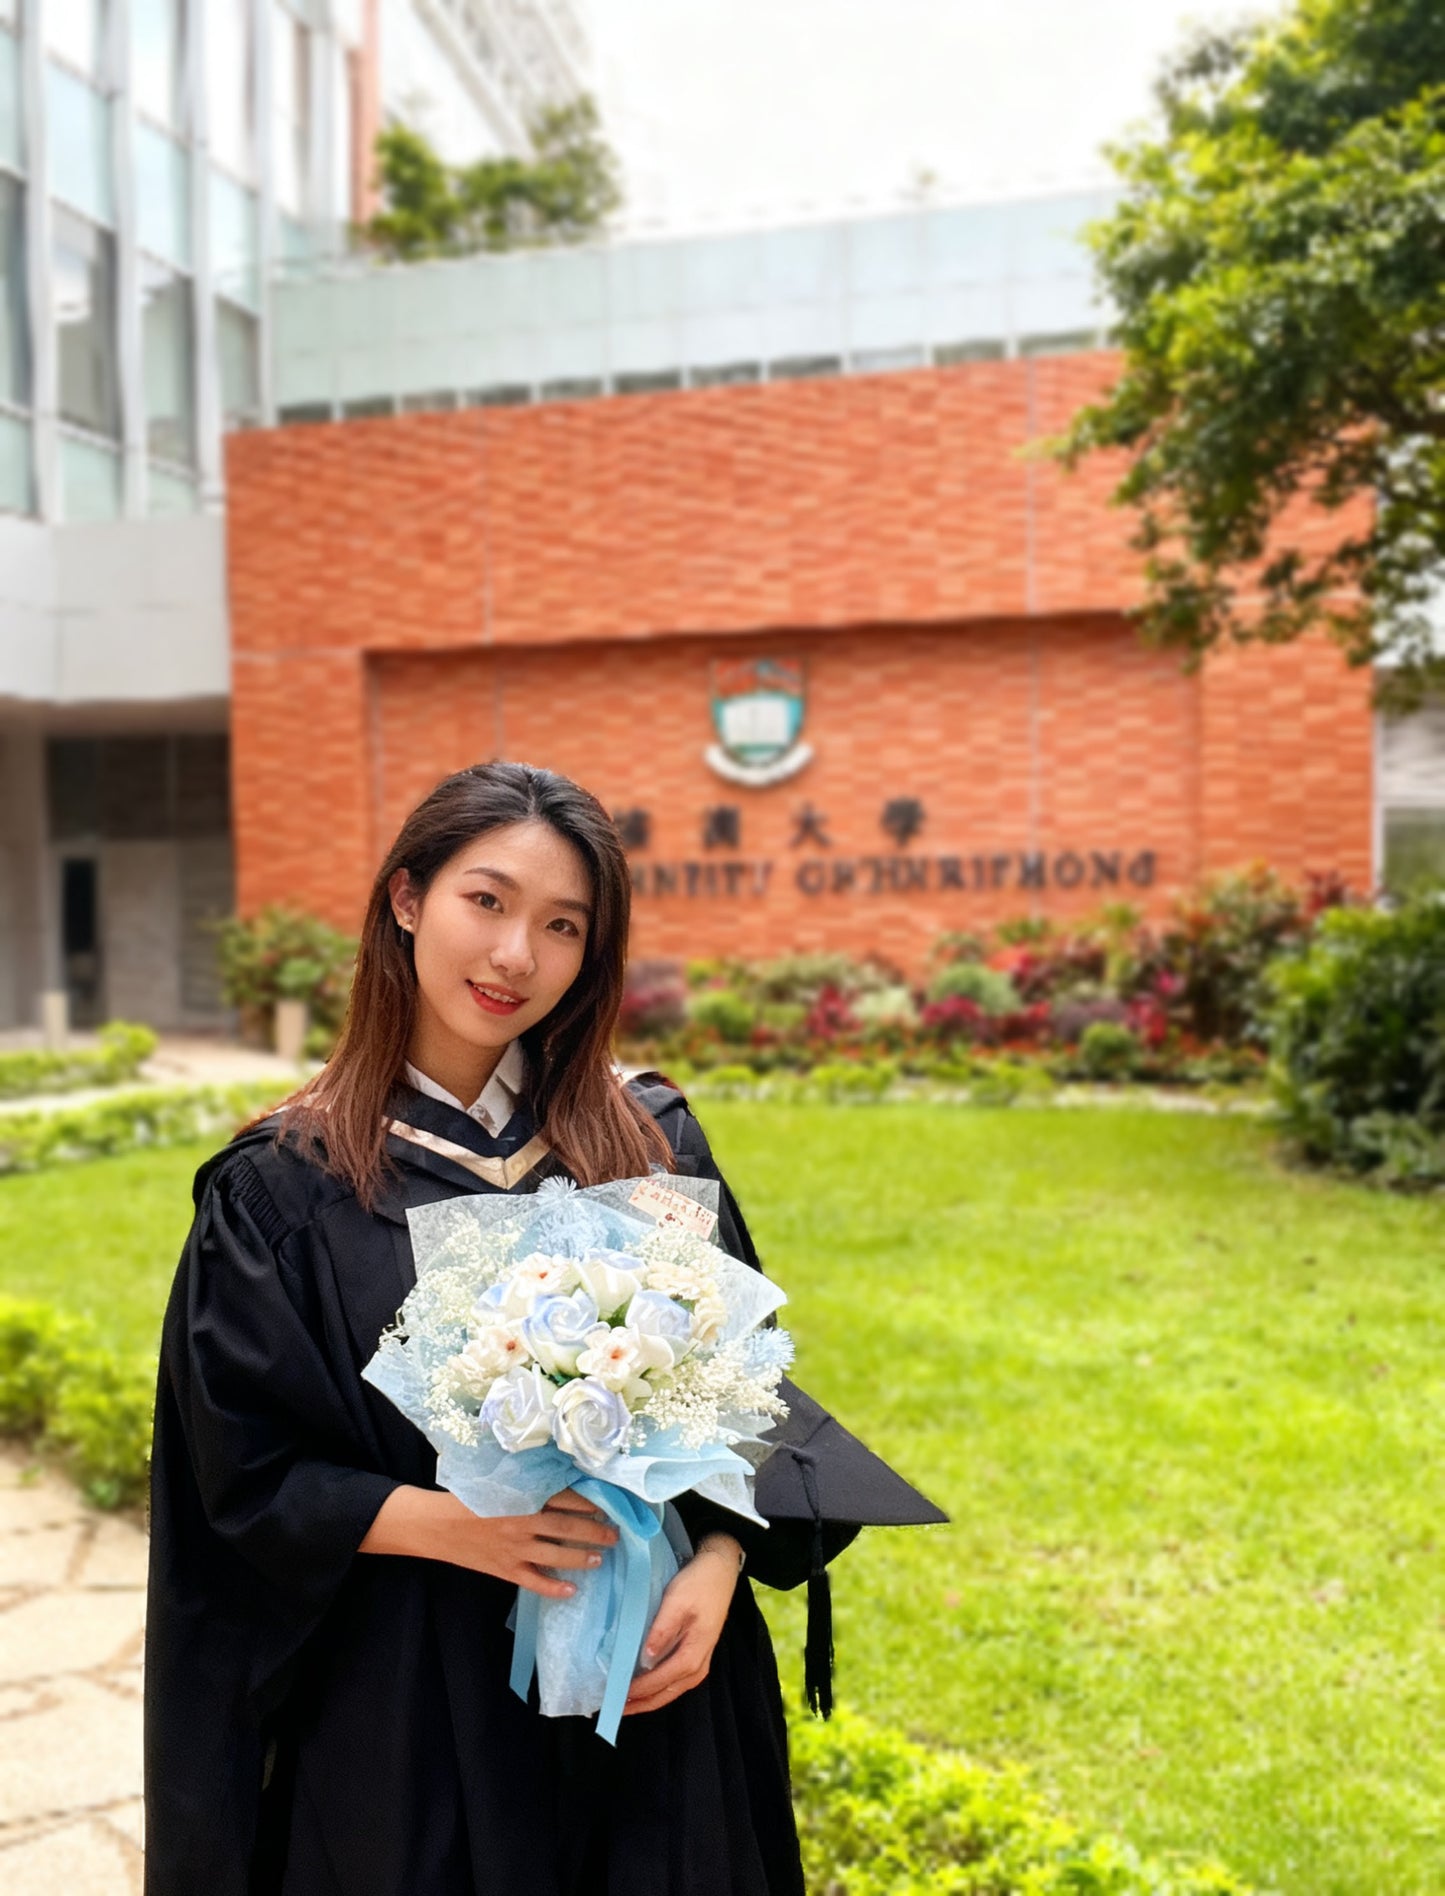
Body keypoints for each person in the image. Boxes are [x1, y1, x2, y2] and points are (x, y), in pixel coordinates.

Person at [144, 761, 806, 1896]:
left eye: (561, 926)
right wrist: (459, 1528)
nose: (514, 957)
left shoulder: (647, 1144)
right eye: (485, 901)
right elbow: (238, 1478)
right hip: (409, 1704)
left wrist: (720, 1563)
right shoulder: (286, 1189)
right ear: (407, 898)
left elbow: (753, 1399)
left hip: (645, 1689)